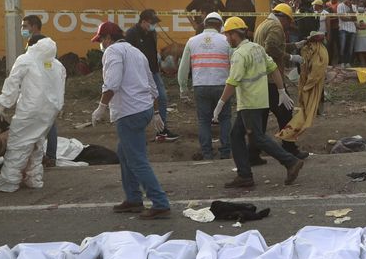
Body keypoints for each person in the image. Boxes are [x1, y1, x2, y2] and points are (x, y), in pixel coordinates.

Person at [90, 21, 170, 219]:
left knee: (136, 159)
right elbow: (153, 86)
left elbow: (112, 83)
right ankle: (133, 198)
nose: (101, 44)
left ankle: (160, 202)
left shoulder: (113, 52)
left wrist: (101, 107)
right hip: (142, 110)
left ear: (108, 38)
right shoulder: (136, 52)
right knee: (124, 153)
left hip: (129, 111)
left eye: (101, 40)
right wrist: (157, 112)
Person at [216, 16, 304, 188]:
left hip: (250, 102)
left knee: (257, 137)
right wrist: (280, 90)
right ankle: (245, 175)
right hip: (256, 100)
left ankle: (290, 161)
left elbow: (232, 82)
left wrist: (220, 104)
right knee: (236, 136)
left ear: (235, 34)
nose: (227, 39)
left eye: (227, 35)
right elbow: (273, 69)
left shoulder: (239, 54)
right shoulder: (257, 48)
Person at [0, 35, 65, 193]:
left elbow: (12, 83)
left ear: (33, 45)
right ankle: (33, 178)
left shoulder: (25, 59)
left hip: (30, 110)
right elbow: (61, 89)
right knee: (37, 144)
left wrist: (1, 106)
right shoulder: (58, 65)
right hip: (49, 113)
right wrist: (58, 108)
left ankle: (9, 181)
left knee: (18, 144)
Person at [177, 11, 233, 160]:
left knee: (204, 120)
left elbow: (183, 68)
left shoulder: (192, 41)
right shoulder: (226, 41)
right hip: (223, 86)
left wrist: (183, 88)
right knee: (225, 118)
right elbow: (235, 65)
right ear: (221, 26)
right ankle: (225, 152)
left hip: (200, 86)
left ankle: (207, 153)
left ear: (204, 24)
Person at [257, 2, 307, 159]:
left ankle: (253, 153)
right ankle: (289, 148)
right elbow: (270, 48)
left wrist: (294, 45)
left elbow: (276, 45)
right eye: (289, 21)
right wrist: (290, 57)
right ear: (283, 18)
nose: (288, 26)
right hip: (272, 79)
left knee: (262, 116)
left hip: (261, 78)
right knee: (286, 113)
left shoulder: (264, 24)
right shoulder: (276, 27)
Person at [125, 9, 177, 141]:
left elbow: (152, 51)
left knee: (162, 97)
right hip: (137, 73)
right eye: (151, 22)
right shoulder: (131, 34)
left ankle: (162, 131)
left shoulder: (152, 33)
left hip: (153, 72)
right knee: (137, 101)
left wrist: (157, 64)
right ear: (143, 21)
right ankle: (134, 131)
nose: (154, 25)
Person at [19, 15, 59, 167]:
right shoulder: (38, 44)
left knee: (48, 124)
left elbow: (52, 69)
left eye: (25, 26)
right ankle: (43, 155)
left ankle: (49, 156)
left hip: (43, 90)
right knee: (45, 123)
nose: (23, 29)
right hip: (38, 90)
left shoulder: (43, 44)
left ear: (34, 26)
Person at [336, 0, 357, 67]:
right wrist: (350, 18)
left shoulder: (353, 6)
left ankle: (348, 62)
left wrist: (350, 7)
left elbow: (355, 18)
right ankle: (342, 62)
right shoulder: (340, 6)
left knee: (350, 48)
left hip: (352, 29)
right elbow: (342, 18)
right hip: (343, 29)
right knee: (343, 46)